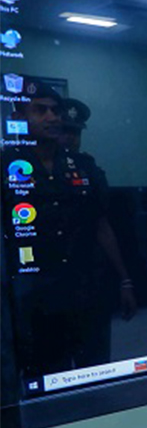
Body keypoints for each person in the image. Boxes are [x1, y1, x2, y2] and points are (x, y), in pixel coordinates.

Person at [2, 83, 136, 381]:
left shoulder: (83, 166)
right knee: (46, 372)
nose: (51, 117)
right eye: (41, 110)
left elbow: (102, 225)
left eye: (55, 111)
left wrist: (124, 279)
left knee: (97, 370)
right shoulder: (7, 164)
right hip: (34, 289)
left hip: (86, 284)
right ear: (21, 116)